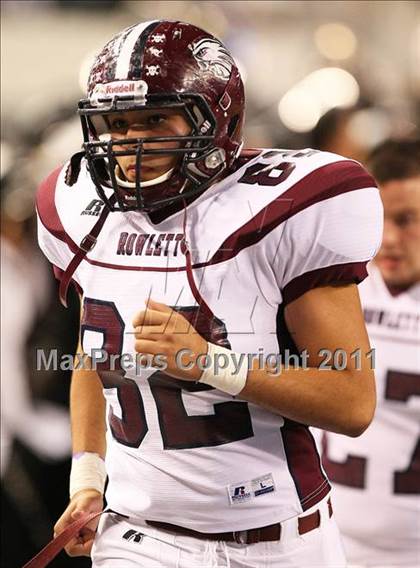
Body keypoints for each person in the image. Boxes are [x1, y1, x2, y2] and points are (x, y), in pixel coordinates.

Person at [36, 20, 383, 567]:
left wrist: (210, 363)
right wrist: (88, 478)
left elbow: (352, 402)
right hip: (138, 536)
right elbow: (95, 349)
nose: (133, 142)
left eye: (155, 119)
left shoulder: (287, 208)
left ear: (216, 118)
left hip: (278, 541)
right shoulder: (82, 208)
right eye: (117, 123)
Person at [322, 139, 420, 568]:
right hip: (324, 538)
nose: (391, 239)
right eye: (382, 219)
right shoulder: (330, 289)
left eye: (409, 220)